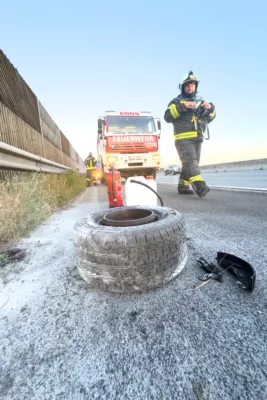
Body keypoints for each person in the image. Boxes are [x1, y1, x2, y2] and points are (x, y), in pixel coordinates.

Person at [164, 71, 216, 197]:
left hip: (197, 137)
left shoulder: (200, 101)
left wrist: (211, 109)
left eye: (192, 84)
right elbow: (167, 117)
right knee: (190, 161)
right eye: (187, 84)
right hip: (183, 139)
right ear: (182, 87)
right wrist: (183, 107)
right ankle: (200, 186)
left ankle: (182, 185)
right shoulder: (176, 102)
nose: (190, 86)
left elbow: (209, 118)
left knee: (190, 162)